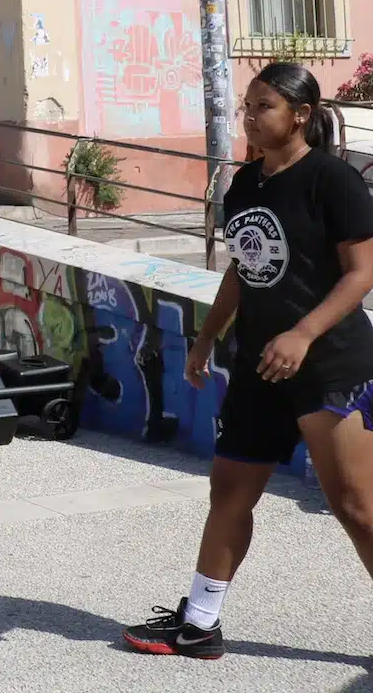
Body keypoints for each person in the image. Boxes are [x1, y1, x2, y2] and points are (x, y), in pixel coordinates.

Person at [124, 63, 373, 660]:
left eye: (264, 106)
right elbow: (242, 269)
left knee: (355, 503)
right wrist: (208, 340)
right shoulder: (245, 184)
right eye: (248, 105)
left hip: (328, 366)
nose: (250, 116)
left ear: (301, 116)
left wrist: (304, 334)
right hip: (259, 368)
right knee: (229, 491)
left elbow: (363, 273)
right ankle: (200, 623)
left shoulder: (332, 181)